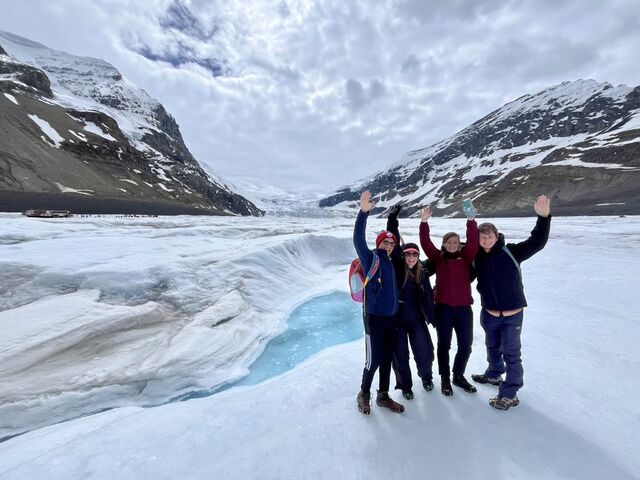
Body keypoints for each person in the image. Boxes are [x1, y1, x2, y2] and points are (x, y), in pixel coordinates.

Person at [471, 195, 551, 411]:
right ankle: (495, 374)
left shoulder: (511, 251)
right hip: (489, 313)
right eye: (482, 237)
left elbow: (537, 242)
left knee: (511, 353)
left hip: (512, 315)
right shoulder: (477, 258)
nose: (486, 240)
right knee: (492, 347)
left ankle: (510, 393)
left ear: (497, 237)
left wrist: (543, 218)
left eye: (490, 236)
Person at [353, 191, 404, 415]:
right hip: (374, 319)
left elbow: (395, 236)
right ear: (379, 244)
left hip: (391, 319)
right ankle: (364, 393)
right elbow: (357, 240)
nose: (389, 245)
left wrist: (393, 222)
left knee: (386, 360)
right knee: (372, 361)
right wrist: (363, 213)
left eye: (391, 242)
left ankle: (383, 395)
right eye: (385, 242)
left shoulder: (392, 262)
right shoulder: (371, 258)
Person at [419, 203, 479, 396]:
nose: (452, 245)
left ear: (459, 243)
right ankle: (445, 378)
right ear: (444, 244)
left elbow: (473, 243)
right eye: (448, 242)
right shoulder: (438, 258)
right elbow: (426, 243)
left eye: (455, 242)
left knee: (465, 345)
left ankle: (458, 375)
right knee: (444, 345)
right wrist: (424, 222)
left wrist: (471, 220)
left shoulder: (466, 256)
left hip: (463, 311)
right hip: (443, 309)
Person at [385, 206, 437, 400]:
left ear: (418, 257)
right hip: (397, 320)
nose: (411, 257)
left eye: (414, 255)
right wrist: (392, 219)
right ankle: (405, 385)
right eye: (408, 254)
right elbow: (395, 240)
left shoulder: (423, 272)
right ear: (403, 255)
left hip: (416, 319)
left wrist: (435, 317)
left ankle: (426, 377)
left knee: (425, 350)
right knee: (400, 355)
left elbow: (439, 257)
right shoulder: (398, 266)